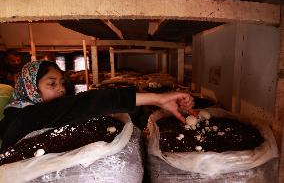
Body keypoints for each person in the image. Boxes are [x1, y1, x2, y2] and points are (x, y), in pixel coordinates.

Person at [0, 61, 193, 150]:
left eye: (61, 83)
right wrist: (156, 98)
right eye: (51, 84)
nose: (61, 90)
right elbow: (85, 103)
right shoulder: (23, 117)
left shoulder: (23, 112)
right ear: (30, 88)